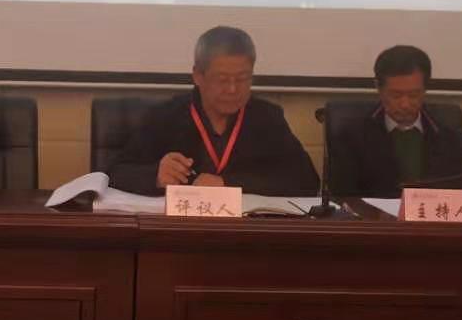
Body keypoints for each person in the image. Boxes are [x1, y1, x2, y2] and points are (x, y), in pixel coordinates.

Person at [109, 26, 319, 196]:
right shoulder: (166, 116)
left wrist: (227, 183)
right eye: (222, 79)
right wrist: (154, 175)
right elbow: (115, 173)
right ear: (197, 76)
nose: (232, 89)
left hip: (245, 229)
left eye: (243, 78)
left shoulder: (267, 117)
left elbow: (307, 180)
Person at [326, 44, 462, 198]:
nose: (405, 104)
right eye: (396, 95)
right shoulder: (351, 136)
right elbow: (342, 196)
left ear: (425, 89)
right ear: (378, 88)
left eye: (414, 95)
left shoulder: (451, 137)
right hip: (375, 214)